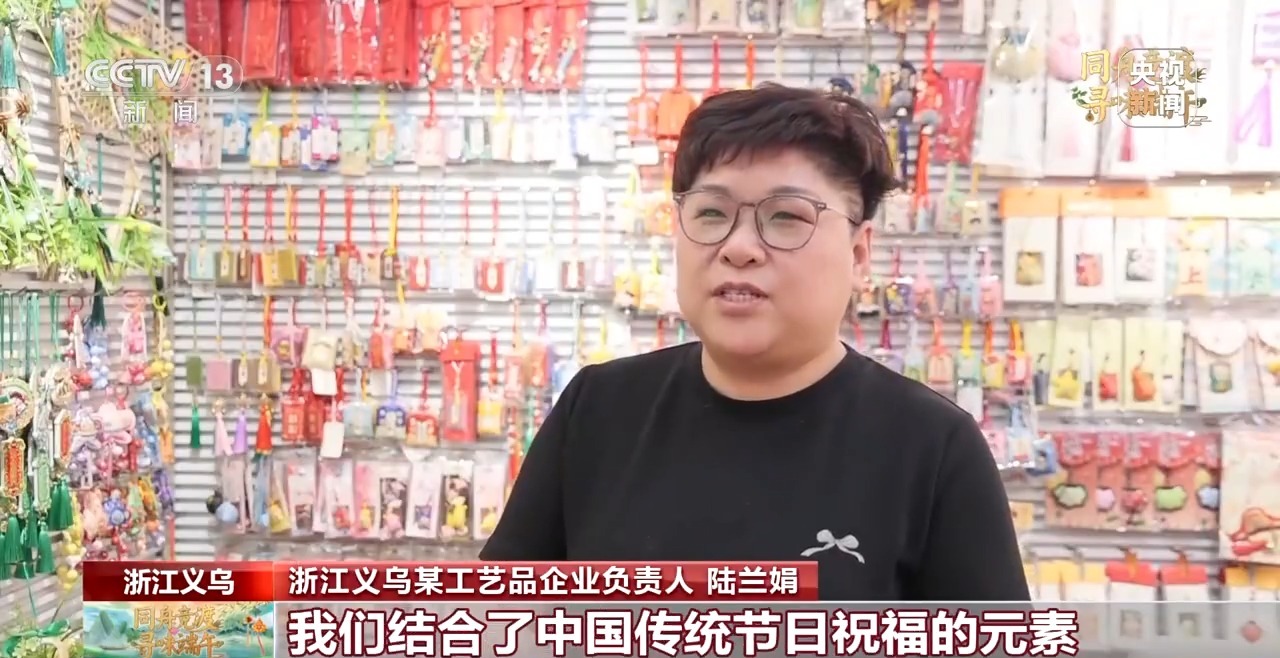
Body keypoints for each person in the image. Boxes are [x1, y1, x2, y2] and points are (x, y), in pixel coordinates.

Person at [480, 84, 1030, 601]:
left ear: (859, 254)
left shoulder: (933, 448)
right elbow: (496, 620)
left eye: (786, 217)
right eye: (711, 213)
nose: (739, 247)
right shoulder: (597, 410)